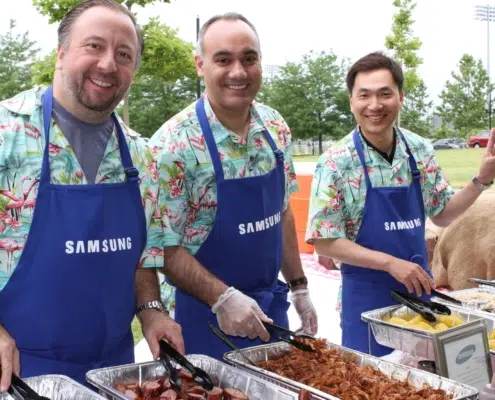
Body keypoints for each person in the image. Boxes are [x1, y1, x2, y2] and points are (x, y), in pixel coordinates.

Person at [0, 0, 183, 389]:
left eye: (124, 54)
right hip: (16, 369)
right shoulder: (7, 135)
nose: (107, 64)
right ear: (61, 51)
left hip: (113, 372)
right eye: (94, 46)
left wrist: (151, 310)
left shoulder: (142, 155)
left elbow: (144, 256)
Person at [148, 12, 318, 360]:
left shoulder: (275, 128)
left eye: (249, 59)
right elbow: (160, 246)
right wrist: (221, 297)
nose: (238, 72)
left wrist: (300, 287)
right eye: (223, 59)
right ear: (200, 65)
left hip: (271, 310)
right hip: (201, 319)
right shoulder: (173, 145)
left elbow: (282, 212)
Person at [306, 51, 495, 357]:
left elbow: (444, 214)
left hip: (418, 295)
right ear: (351, 101)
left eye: (385, 94)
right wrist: (390, 263)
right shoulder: (335, 162)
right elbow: (324, 243)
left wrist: (482, 179)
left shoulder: (418, 148)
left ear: (401, 97)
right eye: (364, 95)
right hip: (364, 300)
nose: (375, 105)